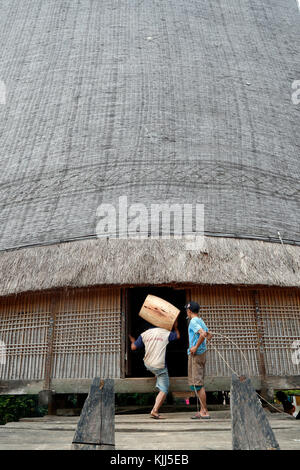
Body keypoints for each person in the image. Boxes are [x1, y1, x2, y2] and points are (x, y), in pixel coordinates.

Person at [129, 320, 180, 419]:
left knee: (155, 368)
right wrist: (176, 327)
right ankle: (155, 410)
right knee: (164, 388)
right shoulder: (165, 332)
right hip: (159, 366)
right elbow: (177, 336)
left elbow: (133, 347)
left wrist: (132, 341)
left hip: (147, 364)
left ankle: (156, 374)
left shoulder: (144, 334)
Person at [185, 301, 213, 420]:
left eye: (187, 310)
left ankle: (204, 411)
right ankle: (202, 410)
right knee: (198, 381)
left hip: (196, 354)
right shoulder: (200, 321)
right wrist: (202, 342)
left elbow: (203, 334)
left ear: (189, 311)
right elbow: (209, 334)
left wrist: (195, 347)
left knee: (198, 383)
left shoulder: (193, 321)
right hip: (202, 354)